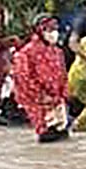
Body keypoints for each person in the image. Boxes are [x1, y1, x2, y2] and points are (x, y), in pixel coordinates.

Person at [12, 14, 70, 142]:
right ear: (40, 30)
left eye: (55, 29)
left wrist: (63, 95)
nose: (54, 33)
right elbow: (24, 78)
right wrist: (42, 96)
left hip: (57, 101)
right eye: (49, 29)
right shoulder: (26, 53)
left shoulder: (57, 52)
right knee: (47, 136)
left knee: (63, 135)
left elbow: (64, 75)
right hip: (38, 102)